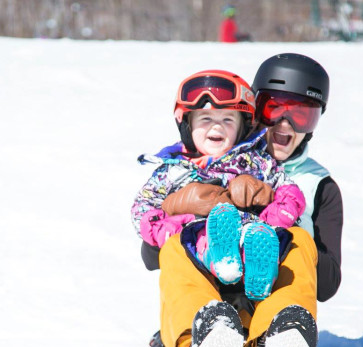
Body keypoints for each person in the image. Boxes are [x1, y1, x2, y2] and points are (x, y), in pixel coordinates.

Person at [153, 53, 342, 347]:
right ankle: (205, 346)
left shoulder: (319, 186)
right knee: (178, 246)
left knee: (299, 240)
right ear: (253, 110)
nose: (285, 125)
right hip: (209, 295)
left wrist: (276, 226)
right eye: (275, 110)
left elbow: (328, 284)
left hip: (268, 297)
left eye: (300, 113)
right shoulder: (207, 159)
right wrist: (184, 210)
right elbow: (153, 254)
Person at [131, 70, 307, 302]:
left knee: (259, 237)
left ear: (242, 127)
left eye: (227, 119)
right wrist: (171, 224)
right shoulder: (173, 171)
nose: (217, 127)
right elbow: (142, 207)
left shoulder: (256, 162)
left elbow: (288, 191)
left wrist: (273, 215)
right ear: (187, 125)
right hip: (196, 247)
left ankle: (260, 275)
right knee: (198, 235)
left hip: (249, 232)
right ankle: (221, 260)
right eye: (205, 119)